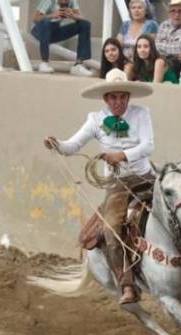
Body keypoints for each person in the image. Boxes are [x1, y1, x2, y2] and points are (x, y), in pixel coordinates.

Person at [45, 70, 155, 304]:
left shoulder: (142, 114)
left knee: (180, 204)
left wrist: (121, 155)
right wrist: (57, 144)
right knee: (111, 229)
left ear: (128, 96)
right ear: (106, 99)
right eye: (113, 98)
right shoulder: (95, 120)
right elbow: (72, 146)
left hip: (146, 177)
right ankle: (127, 284)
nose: (118, 102)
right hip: (118, 185)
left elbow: (148, 146)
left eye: (122, 97)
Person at [31, 0, 93, 75]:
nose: (65, 2)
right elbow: (35, 18)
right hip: (40, 31)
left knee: (85, 24)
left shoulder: (72, 1)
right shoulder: (48, 1)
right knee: (46, 22)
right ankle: (44, 62)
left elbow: (81, 17)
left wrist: (72, 15)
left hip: (54, 32)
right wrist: (52, 15)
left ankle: (78, 65)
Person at [156, 0, 181, 73]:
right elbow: (155, 46)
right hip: (161, 58)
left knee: (175, 59)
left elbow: (179, 49)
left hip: (178, 62)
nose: (177, 14)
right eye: (173, 11)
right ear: (169, 13)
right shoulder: (164, 25)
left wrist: (161, 45)